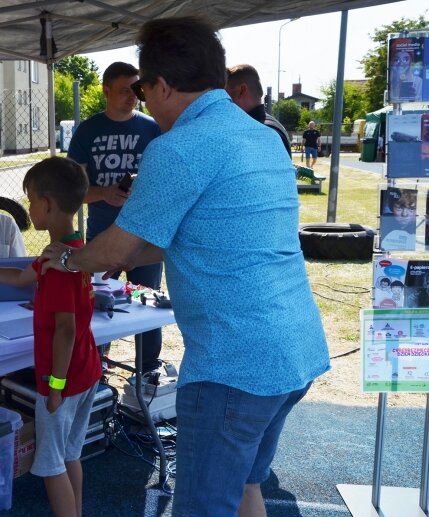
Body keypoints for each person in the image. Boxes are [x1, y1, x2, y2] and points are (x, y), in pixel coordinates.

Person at [40, 17, 330, 516]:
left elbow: (117, 251)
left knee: (201, 506)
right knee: (245, 488)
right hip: (294, 349)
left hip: (234, 366)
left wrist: (67, 259)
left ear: (165, 85)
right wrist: (104, 257)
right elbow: (186, 239)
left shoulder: (178, 149)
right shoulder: (260, 136)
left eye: (143, 89)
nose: (144, 102)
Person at [0, 157, 100, 517]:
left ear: (47, 206)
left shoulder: (58, 268)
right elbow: (21, 278)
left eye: (31, 200)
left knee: (51, 467)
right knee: (70, 455)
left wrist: (54, 387)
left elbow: (65, 330)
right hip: (87, 373)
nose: (29, 207)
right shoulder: (67, 252)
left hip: (63, 382)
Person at [67, 61, 164, 372]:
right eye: (124, 90)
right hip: (102, 237)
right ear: (106, 90)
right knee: (96, 308)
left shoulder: (152, 128)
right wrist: (105, 193)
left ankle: (146, 375)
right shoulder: (88, 131)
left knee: (148, 308)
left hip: (145, 240)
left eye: (137, 90)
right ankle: (97, 372)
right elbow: (74, 192)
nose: (133, 96)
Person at [225, 64, 291, 157]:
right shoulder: (272, 127)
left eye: (226, 94)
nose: (223, 101)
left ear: (241, 91)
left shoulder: (259, 133)